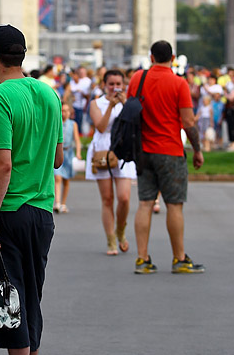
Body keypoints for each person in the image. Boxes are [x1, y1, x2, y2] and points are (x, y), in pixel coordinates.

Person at [0, 24, 63, 355]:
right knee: (31, 299)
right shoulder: (49, 94)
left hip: (9, 211)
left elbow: (2, 163)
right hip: (43, 212)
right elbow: (59, 157)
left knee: (11, 303)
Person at [128, 41, 205, 275]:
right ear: (172, 58)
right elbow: (189, 122)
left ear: (151, 58)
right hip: (170, 150)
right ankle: (179, 259)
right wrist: (197, 149)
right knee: (174, 204)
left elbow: (130, 110)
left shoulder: (137, 79)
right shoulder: (179, 83)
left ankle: (142, 259)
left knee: (144, 203)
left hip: (143, 151)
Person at [86, 69, 136, 255]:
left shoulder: (128, 103)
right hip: (102, 150)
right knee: (107, 199)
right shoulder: (96, 103)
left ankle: (120, 231)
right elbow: (100, 126)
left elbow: (134, 122)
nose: (115, 88)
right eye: (111, 84)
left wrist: (124, 104)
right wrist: (110, 106)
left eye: (118, 84)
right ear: (104, 85)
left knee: (124, 198)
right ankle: (111, 240)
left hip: (123, 149)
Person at [54, 102, 82, 213]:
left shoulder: (73, 124)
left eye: (65, 111)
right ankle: (57, 203)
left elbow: (77, 139)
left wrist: (78, 152)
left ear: (70, 113)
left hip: (68, 152)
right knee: (57, 177)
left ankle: (63, 203)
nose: (63, 113)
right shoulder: (56, 123)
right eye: (61, 110)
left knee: (66, 179)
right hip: (57, 153)